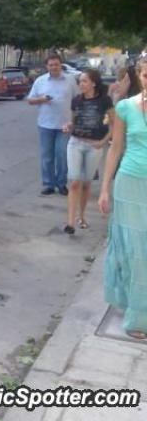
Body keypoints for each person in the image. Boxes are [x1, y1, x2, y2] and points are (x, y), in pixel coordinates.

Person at [98, 57, 147, 340]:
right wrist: (105, 188)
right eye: (146, 73)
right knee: (134, 251)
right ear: (139, 76)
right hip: (128, 183)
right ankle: (138, 315)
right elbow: (115, 150)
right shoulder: (126, 107)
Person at [61, 69, 113, 234]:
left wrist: (103, 142)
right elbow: (73, 121)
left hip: (94, 146)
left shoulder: (105, 101)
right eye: (80, 81)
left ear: (93, 83)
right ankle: (70, 223)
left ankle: (81, 216)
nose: (81, 84)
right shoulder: (76, 100)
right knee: (74, 182)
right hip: (75, 143)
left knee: (86, 183)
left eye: (84, 81)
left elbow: (115, 124)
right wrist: (68, 125)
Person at [27, 53, 80, 196]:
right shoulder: (40, 81)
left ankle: (61, 183)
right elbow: (30, 100)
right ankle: (48, 184)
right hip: (45, 124)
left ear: (60, 65)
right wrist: (41, 99)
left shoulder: (70, 80)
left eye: (56, 64)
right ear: (47, 66)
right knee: (47, 156)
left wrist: (74, 119)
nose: (54, 67)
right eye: (51, 65)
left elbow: (78, 99)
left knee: (62, 154)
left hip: (64, 125)